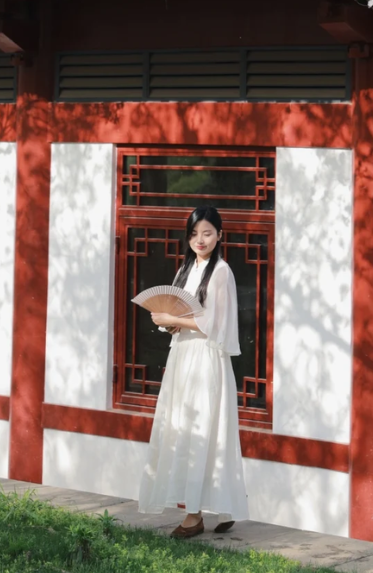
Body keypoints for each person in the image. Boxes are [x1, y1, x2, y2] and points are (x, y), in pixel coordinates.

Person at [137, 206, 249, 539]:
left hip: (206, 360)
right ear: (188, 237)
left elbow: (215, 324)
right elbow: (178, 311)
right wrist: (168, 323)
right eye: (194, 234)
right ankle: (222, 506)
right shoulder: (186, 269)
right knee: (182, 427)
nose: (200, 240)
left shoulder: (221, 272)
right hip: (182, 356)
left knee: (205, 429)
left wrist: (173, 320)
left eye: (207, 233)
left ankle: (195, 516)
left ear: (219, 235)